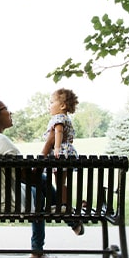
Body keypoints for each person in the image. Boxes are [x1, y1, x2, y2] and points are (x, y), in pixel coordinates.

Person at [0, 96, 57, 258]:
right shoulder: (1, 141)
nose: (10, 112)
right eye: (5, 108)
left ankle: (60, 214)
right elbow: (32, 178)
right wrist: (48, 145)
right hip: (7, 203)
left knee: (39, 188)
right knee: (40, 185)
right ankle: (60, 217)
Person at [41, 87, 84, 236]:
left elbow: (58, 132)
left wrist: (57, 148)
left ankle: (64, 205)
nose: (49, 105)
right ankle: (65, 205)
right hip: (67, 152)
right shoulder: (65, 118)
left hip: (61, 153)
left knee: (59, 181)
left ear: (62, 106)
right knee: (61, 182)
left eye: (52, 102)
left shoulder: (59, 118)